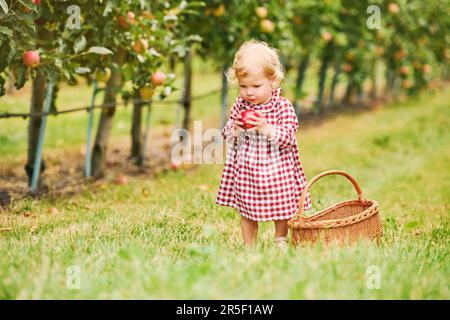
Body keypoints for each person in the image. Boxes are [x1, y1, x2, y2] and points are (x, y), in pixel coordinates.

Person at [215, 40, 312, 248]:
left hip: (278, 171)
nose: (249, 92)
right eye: (243, 86)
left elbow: (289, 137)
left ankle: (280, 239)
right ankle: (249, 245)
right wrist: (237, 128)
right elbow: (227, 134)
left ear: (273, 81)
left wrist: (266, 127)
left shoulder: (282, 106)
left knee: (283, 207)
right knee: (247, 211)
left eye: (256, 86)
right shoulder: (240, 106)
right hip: (248, 171)